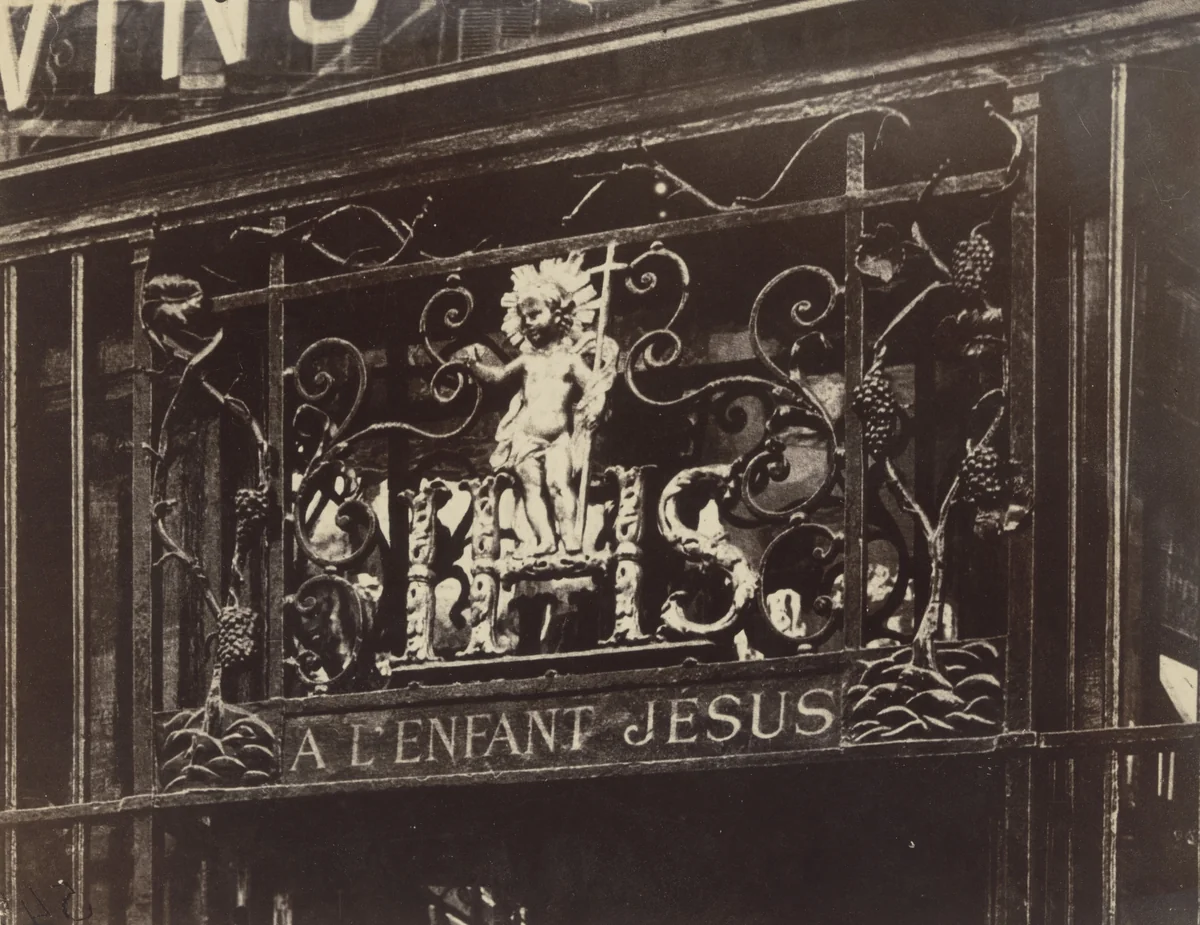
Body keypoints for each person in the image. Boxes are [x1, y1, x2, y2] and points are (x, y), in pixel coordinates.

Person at [463, 254, 616, 555]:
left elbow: (594, 386)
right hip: (524, 438)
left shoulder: (571, 360)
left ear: (558, 316)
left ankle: (569, 535)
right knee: (532, 490)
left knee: (560, 485)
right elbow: (498, 376)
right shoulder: (526, 360)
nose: (527, 323)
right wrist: (475, 367)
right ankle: (545, 539)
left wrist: (597, 405)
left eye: (534, 314)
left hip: (559, 439)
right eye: (523, 317)